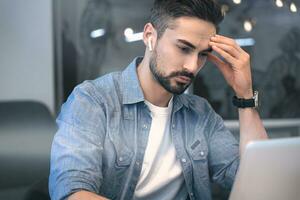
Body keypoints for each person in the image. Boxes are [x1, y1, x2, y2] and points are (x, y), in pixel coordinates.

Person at [49, 0, 268, 200]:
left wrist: (245, 95)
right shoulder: (93, 101)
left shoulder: (201, 114)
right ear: (149, 36)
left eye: (202, 54)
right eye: (183, 48)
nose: (192, 66)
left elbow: (259, 184)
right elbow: (73, 192)